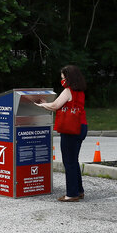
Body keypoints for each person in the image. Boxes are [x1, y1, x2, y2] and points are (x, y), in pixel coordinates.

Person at [37, 65, 88, 202]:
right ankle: (79, 190)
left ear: (68, 78)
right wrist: (47, 104)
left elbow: (55, 106)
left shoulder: (68, 91)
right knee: (74, 160)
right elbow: (60, 107)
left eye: (63, 77)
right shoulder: (80, 92)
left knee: (69, 162)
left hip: (71, 129)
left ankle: (72, 194)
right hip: (81, 127)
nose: (62, 80)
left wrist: (40, 105)